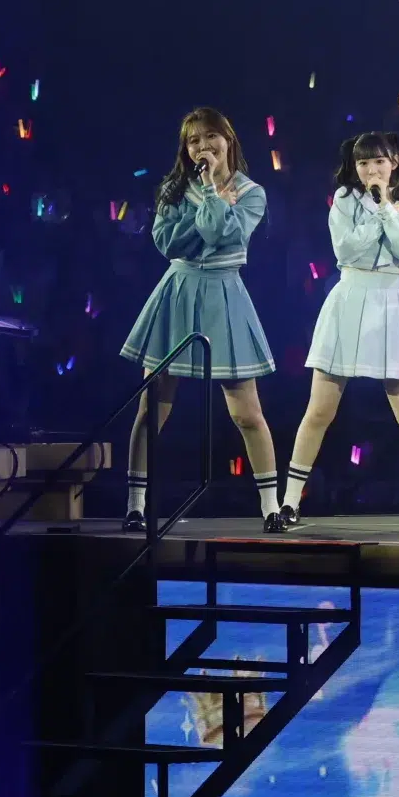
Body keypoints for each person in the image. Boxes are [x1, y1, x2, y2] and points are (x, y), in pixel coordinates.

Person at [120, 108, 284, 531]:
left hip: (225, 295)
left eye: (211, 137)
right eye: (193, 141)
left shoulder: (252, 193)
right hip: (177, 291)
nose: (203, 147)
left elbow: (223, 235)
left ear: (228, 140)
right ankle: (135, 504)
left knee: (246, 413)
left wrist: (211, 196)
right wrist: (211, 212)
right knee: (151, 407)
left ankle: (271, 508)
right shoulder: (173, 189)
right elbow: (167, 242)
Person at [279, 132, 399, 527]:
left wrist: (386, 208)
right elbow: (345, 250)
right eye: (363, 163)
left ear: (395, 163)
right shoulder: (344, 200)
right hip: (348, 298)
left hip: (390, 302)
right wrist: (376, 214)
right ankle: (289, 502)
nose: (371, 170)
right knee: (319, 410)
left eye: (379, 161)